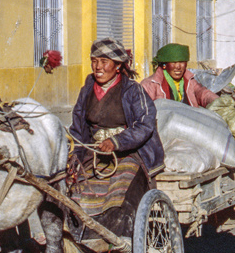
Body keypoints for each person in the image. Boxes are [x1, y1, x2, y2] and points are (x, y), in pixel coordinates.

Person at [66, 37, 164, 179]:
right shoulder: (87, 91)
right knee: (77, 187)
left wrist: (116, 142)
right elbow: (78, 129)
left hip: (131, 153)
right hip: (95, 151)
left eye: (104, 62)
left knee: (121, 188)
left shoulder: (133, 90)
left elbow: (145, 124)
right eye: (94, 61)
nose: (98, 66)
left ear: (118, 65)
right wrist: (75, 158)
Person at [140, 43, 218, 108]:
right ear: (164, 65)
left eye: (182, 62)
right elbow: (143, 110)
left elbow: (202, 93)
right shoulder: (150, 85)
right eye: (173, 62)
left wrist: (217, 101)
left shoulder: (189, 81)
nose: (178, 67)